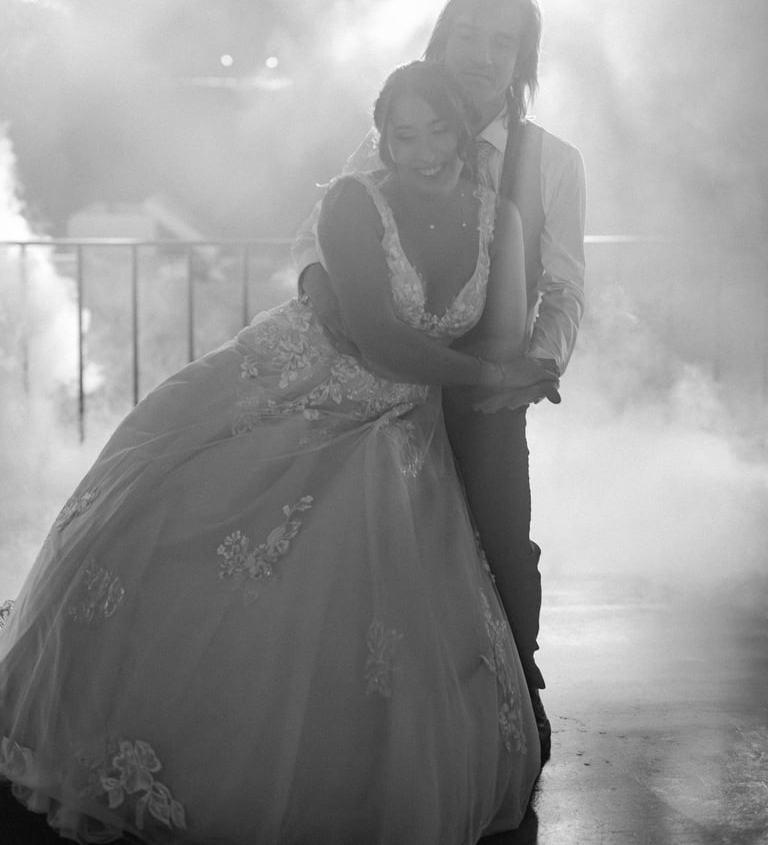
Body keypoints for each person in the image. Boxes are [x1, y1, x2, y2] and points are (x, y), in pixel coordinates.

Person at [0, 62, 556, 845]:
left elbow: (502, 328)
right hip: (301, 385)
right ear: (382, 140)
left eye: (438, 130)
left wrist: (522, 365)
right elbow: (379, 337)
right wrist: (497, 376)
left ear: (464, 132)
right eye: (404, 134)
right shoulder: (353, 202)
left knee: (383, 601)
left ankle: (349, 774)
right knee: (191, 530)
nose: (425, 149)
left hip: (405, 420)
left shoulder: (500, 216)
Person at [294, 0, 587, 764]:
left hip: (487, 384)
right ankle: (375, 709)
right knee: (366, 543)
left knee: (500, 539)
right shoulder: (402, 125)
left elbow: (565, 287)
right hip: (379, 378)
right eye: (468, 35)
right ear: (441, 41)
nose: (483, 55)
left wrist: (533, 366)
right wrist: (326, 296)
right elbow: (319, 236)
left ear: (522, 60)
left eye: (503, 42)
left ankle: (517, 691)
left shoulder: (554, 161)